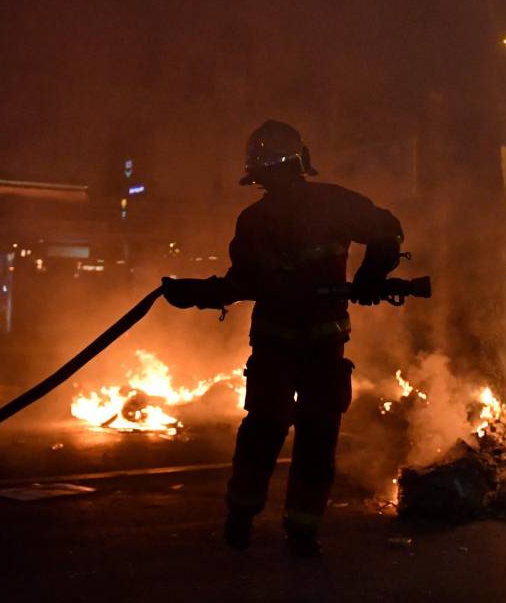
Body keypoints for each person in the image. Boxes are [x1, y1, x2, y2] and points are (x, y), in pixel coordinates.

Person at [163, 120, 403, 557]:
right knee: (295, 435)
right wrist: (198, 292)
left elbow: (386, 230)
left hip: (300, 348)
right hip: (296, 348)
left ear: (258, 172)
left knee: (279, 433)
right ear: (300, 161)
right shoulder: (316, 206)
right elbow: (244, 281)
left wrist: (371, 274)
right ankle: (278, 524)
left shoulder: (266, 217)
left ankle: (268, 521)